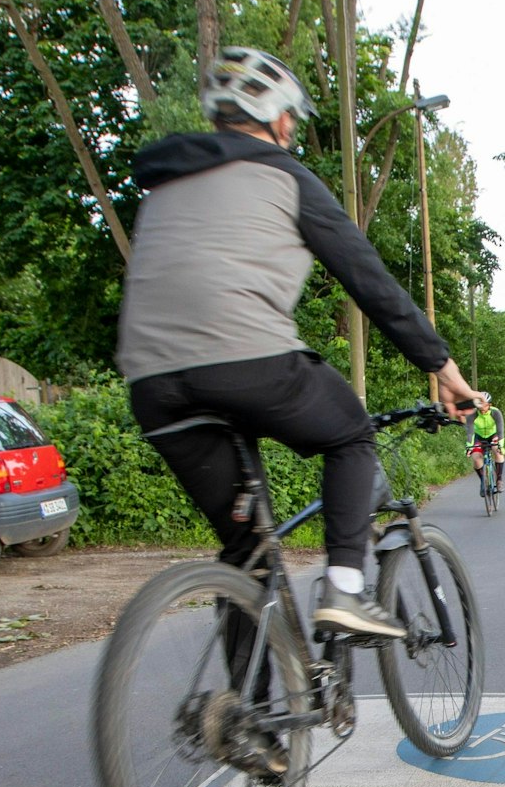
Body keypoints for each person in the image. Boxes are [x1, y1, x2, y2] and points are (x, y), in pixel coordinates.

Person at [118, 45, 479, 641]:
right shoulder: (284, 174)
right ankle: (344, 593)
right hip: (246, 363)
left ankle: (245, 728)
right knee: (350, 434)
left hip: (154, 387)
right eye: (293, 120)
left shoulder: (162, 189)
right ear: (281, 119)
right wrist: (441, 366)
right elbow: (368, 279)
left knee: (246, 552)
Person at [467, 397, 505, 493]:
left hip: (493, 435)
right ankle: (483, 481)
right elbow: (470, 433)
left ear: (489, 405)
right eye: (480, 404)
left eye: (484, 404)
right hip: (478, 437)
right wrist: (469, 447)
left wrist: (501, 445)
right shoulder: (472, 414)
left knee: (497, 450)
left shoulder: (496, 412)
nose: (482, 406)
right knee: (476, 457)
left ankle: (499, 480)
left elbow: (500, 431)